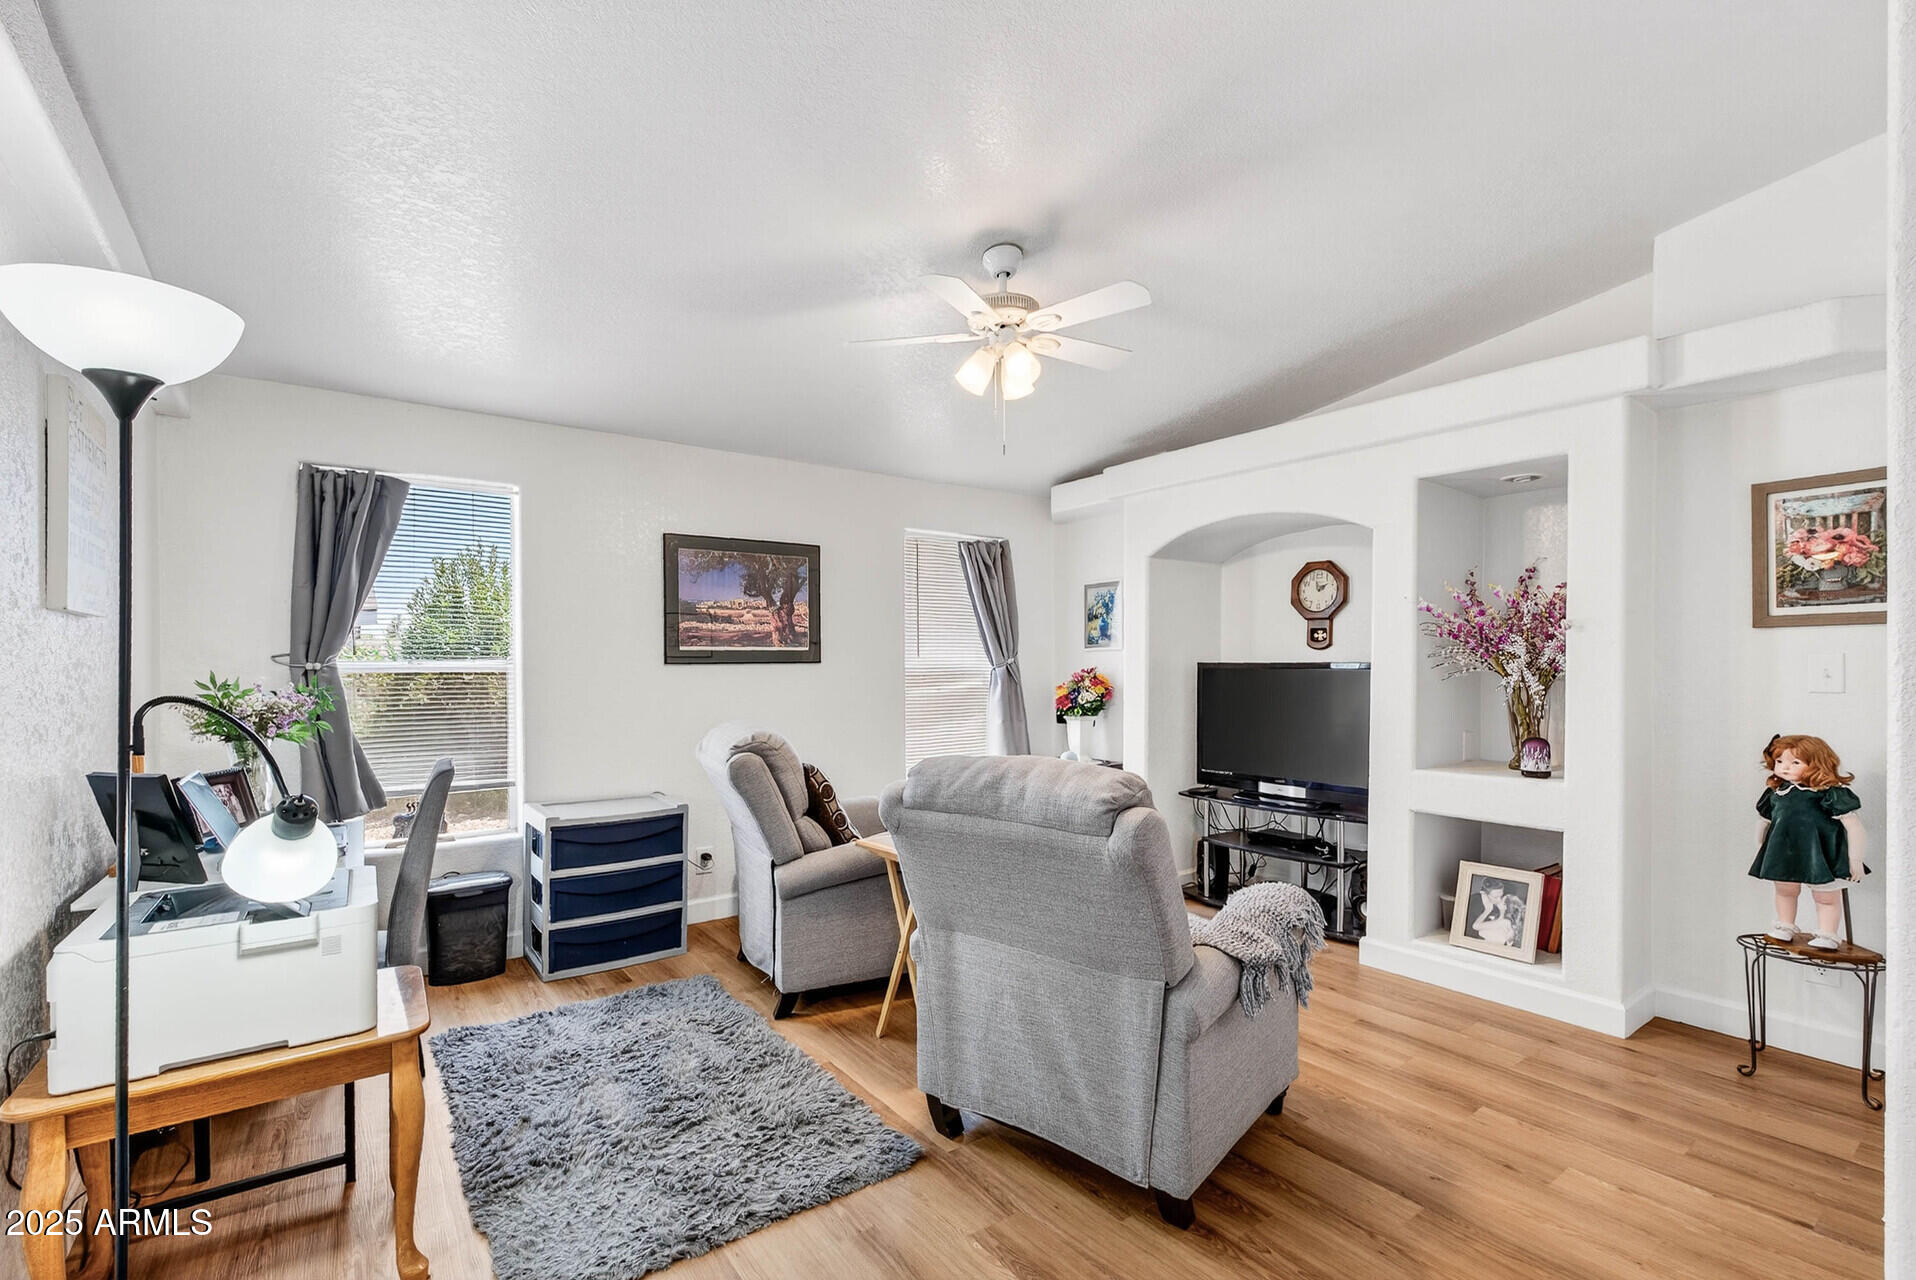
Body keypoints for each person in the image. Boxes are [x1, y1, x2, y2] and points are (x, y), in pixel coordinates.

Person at [1749, 734, 1867, 951]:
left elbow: (1854, 827)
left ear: (1817, 763)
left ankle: (1828, 934)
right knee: (1784, 890)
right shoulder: (1776, 793)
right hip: (1784, 852)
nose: (1785, 767)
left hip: (1820, 853)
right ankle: (1785, 925)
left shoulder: (1829, 793)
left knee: (1825, 896)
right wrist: (1761, 848)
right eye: (1779, 761)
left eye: (1795, 762)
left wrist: (1856, 859)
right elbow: (1764, 822)